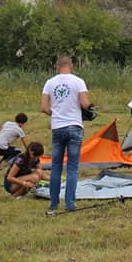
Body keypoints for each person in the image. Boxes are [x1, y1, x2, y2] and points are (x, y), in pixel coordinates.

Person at [41, 55, 90, 215]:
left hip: (58, 127)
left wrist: (54, 114)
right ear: (71, 65)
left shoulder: (50, 83)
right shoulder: (78, 81)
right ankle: (69, 203)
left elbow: (43, 107)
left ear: (57, 66)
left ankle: (53, 203)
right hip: (74, 125)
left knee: (56, 166)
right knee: (72, 167)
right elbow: (84, 104)